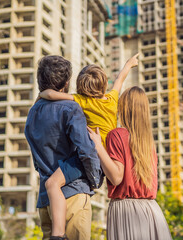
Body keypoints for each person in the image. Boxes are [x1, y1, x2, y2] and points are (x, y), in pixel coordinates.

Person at [37, 54, 138, 239]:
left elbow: (51, 94)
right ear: (104, 85)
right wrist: (129, 64)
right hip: (110, 156)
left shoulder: (81, 101)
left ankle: (57, 235)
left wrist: (41, 95)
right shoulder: (112, 100)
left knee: (53, 183)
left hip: (96, 157)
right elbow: (120, 79)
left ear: (80, 87)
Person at [24, 55, 103, 240]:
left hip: (45, 201)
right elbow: (86, 150)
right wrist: (95, 180)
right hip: (73, 194)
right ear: (67, 82)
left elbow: (37, 161)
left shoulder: (32, 114)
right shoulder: (71, 108)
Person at [88, 86, 172, 240]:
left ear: (124, 109)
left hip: (126, 211)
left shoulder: (117, 135)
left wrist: (98, 146)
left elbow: (116, 177)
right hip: (152, 211)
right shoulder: (148, 145)